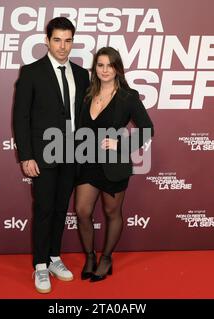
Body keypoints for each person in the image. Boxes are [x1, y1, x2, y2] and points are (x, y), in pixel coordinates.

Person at [12, 17, 90, 293]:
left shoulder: (82, 74)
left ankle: (55, 258)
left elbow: (85, 116)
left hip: (71, 153)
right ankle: (40, 265)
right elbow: (21, 117)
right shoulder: (32, 72)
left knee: (60, 209)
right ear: (47, 40)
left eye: (68, 40)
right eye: (57, 40)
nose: (62, 46)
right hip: (43, 155)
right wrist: (26, 156)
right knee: (44, 209)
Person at [75, 47, 154, 282]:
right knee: (82, 211)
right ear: (95, 68)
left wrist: (122, 145)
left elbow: (148, 129)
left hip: (114, 164)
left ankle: (106, 258)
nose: (105, 70)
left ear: (117, 68)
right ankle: (90, 256)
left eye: (110, 65)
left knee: (112, 212)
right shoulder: (87, 94)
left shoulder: (128, 96)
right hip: (87, 161)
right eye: (100, 65)